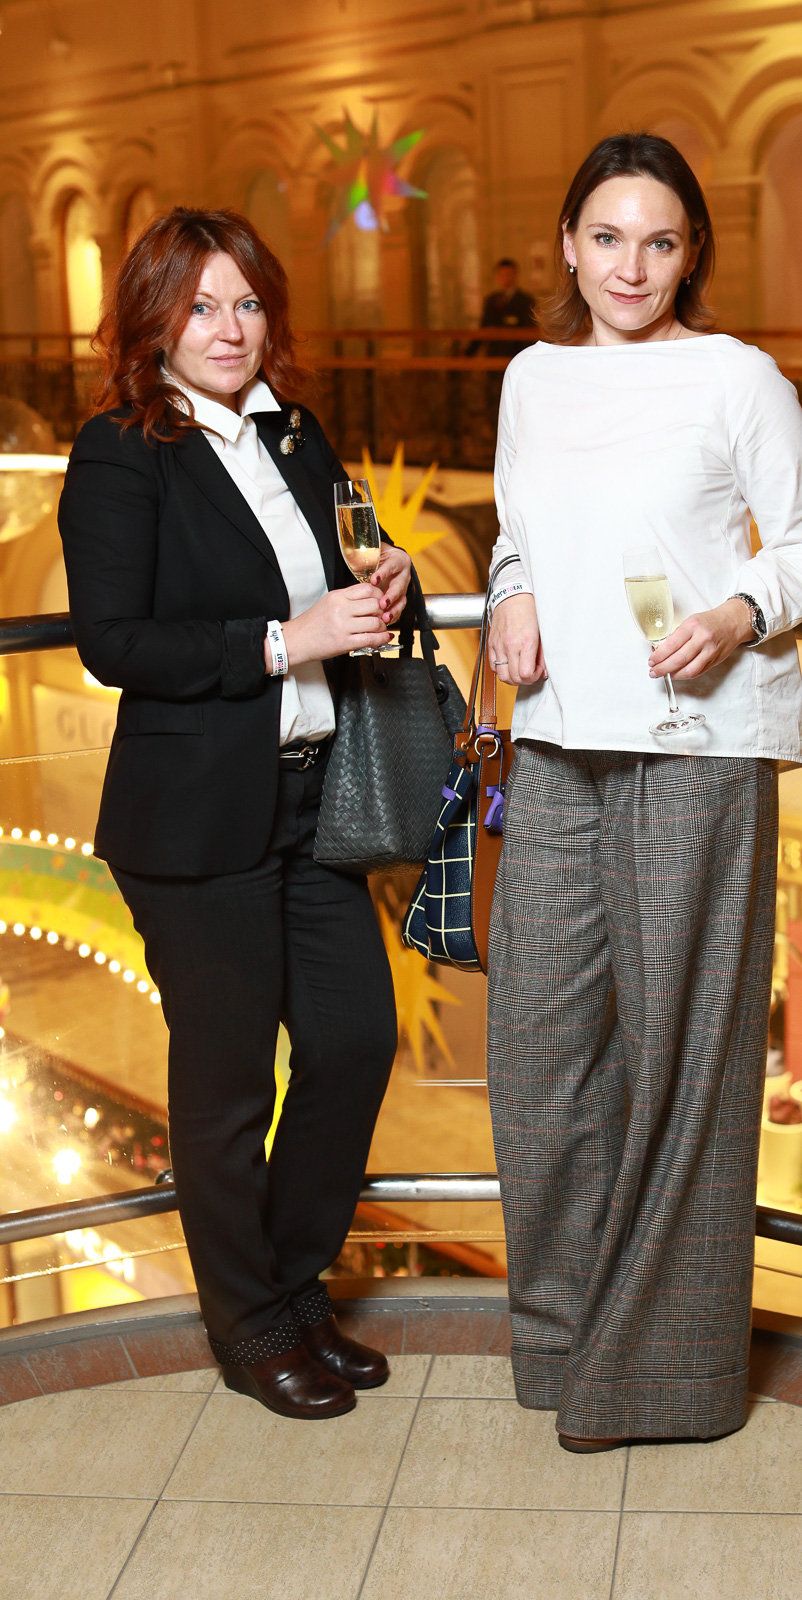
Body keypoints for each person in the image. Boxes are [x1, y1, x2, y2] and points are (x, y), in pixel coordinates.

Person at [485, 134, 802, 1452]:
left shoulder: (734, 375)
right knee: (537, 1050)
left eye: (658, 241)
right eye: (605, 237)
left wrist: (739, 609)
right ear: (567, 244)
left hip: (697, 744)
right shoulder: (529, 378)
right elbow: (517, 528)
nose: (629, 267)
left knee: (684, 1062)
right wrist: (509, 589)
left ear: (689, 253)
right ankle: (561, 1336)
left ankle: (663, 1381)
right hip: (554, 738)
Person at [58, 208, 411, 1421]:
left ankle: (293, 1287)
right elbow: (115, 641)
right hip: (196, 818)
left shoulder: (296, 433)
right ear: (153, 322)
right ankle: (249, 1321)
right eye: (200, 306)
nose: (228, 329)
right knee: (225, 1089)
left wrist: (389, 570)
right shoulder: (121, 450)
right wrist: (281, 641)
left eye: (248, 303)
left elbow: (349, 559)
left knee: (354, 1041)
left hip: (315, 800)